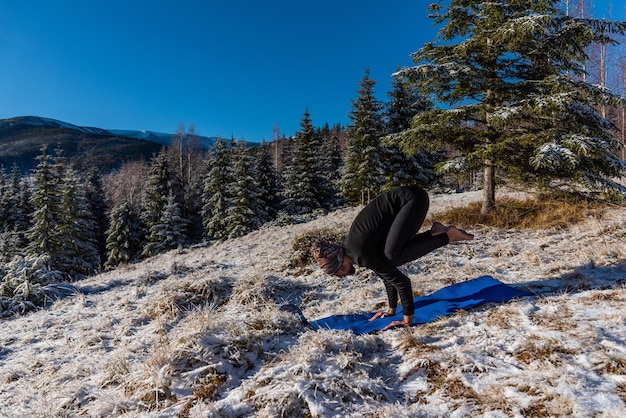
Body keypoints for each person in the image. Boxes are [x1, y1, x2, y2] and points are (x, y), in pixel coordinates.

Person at [311, 186, 474, 330]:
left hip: (411, 200)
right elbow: (387, 275)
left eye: (336, 272)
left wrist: (407, 321)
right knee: (389, 257)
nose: (340, 276)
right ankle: (436, 232)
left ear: (339, 261)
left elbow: (401, 282)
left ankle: (447, 236)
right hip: (409, 198)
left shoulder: (360, 254)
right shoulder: (354, 250)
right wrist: (391, 310)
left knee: (393, 256)